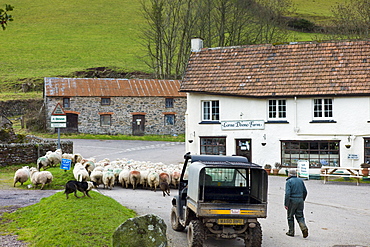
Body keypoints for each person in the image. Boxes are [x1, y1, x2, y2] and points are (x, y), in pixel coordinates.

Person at [284, 169, 309, 238]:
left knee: (290, 216)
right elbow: (305, 191)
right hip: (300, 200)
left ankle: (291, 231)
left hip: (292, 200)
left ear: (289, 174)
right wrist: (302, 199)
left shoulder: (289, 181)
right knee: (300, 216)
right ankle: (304, 228)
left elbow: (287, 194)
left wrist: (286, 204)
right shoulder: (300, 181)